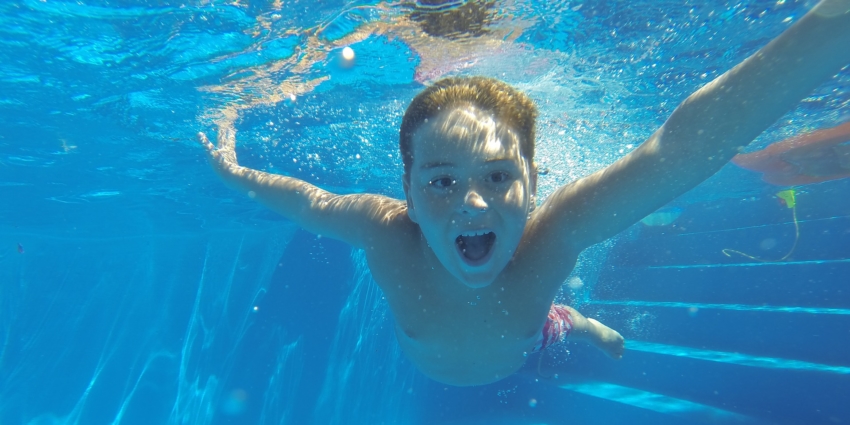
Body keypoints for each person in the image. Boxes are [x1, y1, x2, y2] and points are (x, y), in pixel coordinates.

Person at [199, 0, 850, 386]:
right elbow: (306, 200)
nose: (473, 205)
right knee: (544, 313)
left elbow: (674, 152)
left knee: (550, 320)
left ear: (536, 182)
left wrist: (830, 27)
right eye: (443, 181)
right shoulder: (383, 228)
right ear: (408, 190)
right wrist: (234, 174)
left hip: (525, 348)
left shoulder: (554, 235)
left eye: (499, 176)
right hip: (489, 346)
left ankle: (574, 321)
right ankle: (572, 318)